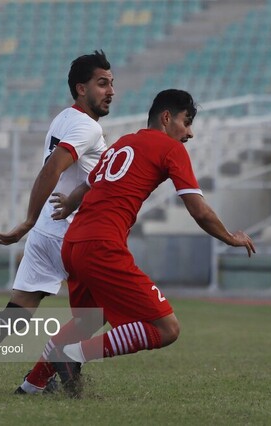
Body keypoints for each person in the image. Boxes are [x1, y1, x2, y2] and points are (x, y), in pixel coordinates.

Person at [18, 89, 256, 398]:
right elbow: (198, 209)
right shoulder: (171, 149)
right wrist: (230, 237)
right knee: (167, 329)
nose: (190, 133)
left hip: (74, 244)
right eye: (187, 122)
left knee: (89, 318)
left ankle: (32, 383)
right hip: (102, 245)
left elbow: (87, 185)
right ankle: (72, 356)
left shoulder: (123, 142)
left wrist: (70, 205)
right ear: (166, 118)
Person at [0, 50, 114, 393]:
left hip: (45, 233)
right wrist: (26, 220)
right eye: (102, 84)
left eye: (112, 83)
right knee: (96, 314)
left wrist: (33, 224)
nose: (110, 91)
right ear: (81, 89)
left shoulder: (62, 119)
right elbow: (52, 168)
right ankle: (46, 377)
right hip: (73, 234)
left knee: (18, 311)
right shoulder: (86, 127)